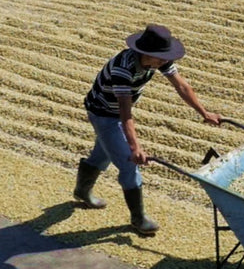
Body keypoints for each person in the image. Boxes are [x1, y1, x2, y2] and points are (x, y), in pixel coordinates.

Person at [73, 24, 221, 235]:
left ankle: (82, 191)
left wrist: (204, 113)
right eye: (160, 58)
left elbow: (182, 86)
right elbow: (125, 113)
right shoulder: (122, 69)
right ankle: (139, 219)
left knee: (104, 152)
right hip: (104, 113)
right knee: (128, 164)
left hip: (116, 112)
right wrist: (135, 148)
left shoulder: (158, 61)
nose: (164, 61)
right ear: (145, 53)